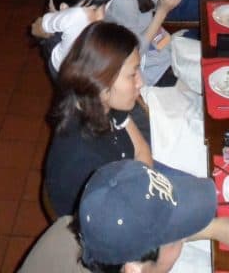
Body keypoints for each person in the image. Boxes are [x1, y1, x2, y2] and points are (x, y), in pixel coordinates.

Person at [19, 160, 229, 273]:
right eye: (177, 236)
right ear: (133, 269)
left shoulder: (69, 228)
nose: (184, 236)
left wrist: (216, 228)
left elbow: (142, 234)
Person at [43, 22, 153, 216]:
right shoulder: (85, 158)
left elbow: (141, 150)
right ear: (102, 83)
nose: (140, 82)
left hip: (131, 187)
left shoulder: (102, 104)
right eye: (132, 74)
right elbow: (120, 218)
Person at [32, 0, 124, 74]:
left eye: (104, 6)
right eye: (94, 9)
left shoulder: (82, 12)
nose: (101, 16)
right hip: (65, 72)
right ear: (66, 10)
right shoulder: (71, 23)